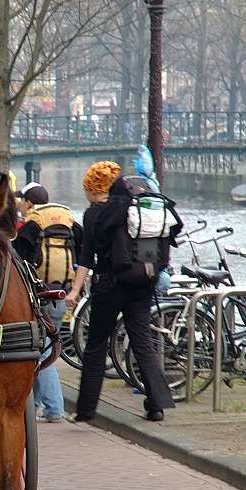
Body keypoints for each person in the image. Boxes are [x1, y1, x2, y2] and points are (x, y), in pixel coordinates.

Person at [63, 161, 174, 422]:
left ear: (93, 188)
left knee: (96, 345)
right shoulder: (137, 210)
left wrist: (75, 289)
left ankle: (86, 410)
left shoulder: (94, 214)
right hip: (141, 284)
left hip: (108, 286)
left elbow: (87, 256)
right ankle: (156, 405)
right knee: (142, 342)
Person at [12, 182, 81, 423]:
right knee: (45, 347)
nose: (20, 205)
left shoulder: (32, 223)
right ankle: (37, 405)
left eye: (22, 201)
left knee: (42, 351)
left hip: (40, 295)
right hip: (62, 293)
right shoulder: (67, 220)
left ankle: (54, 408)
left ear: (29, 203)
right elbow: (83, 252)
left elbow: (17, 258)